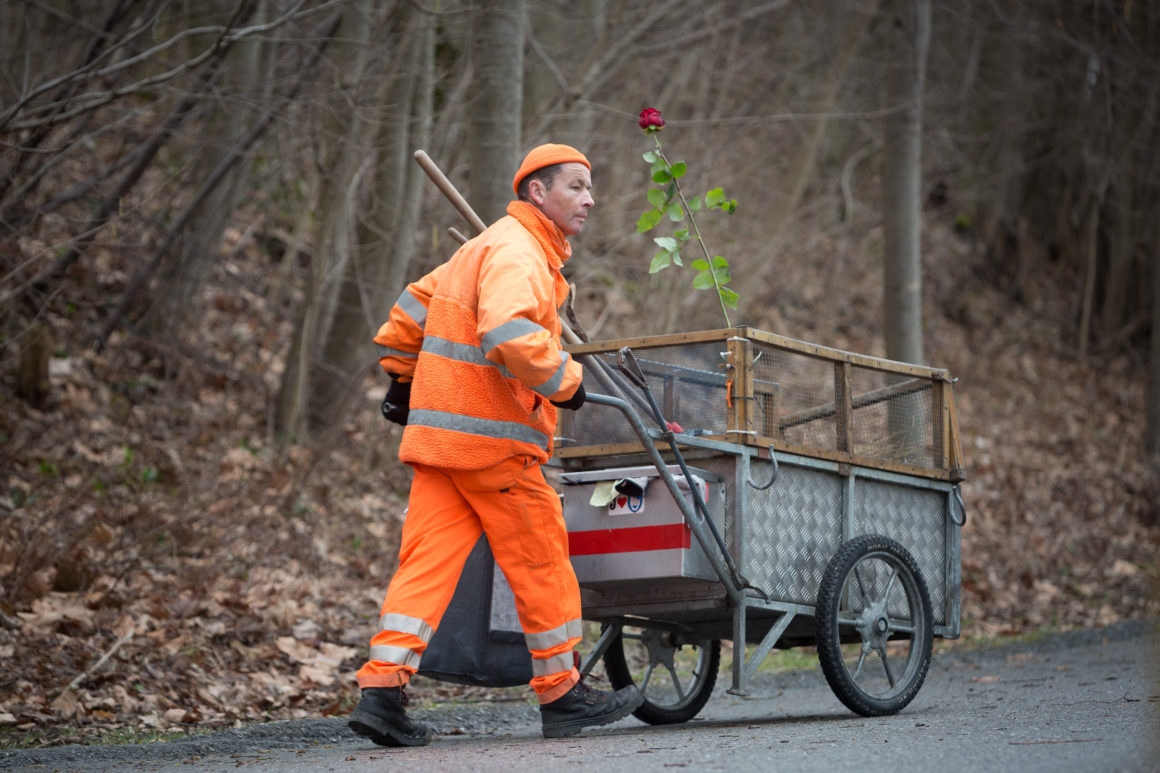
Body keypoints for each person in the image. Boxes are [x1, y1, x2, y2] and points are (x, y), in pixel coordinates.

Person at [348, 144, 643, 747]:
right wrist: (567, 383)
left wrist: (401, 376)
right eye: (577, 187)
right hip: (493, 444)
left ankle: (382, 691)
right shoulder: (520, 253)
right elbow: (508, 333)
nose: (590, 199)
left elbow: (406, 316)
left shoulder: (480, 248)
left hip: (441, 441)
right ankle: (562, 692)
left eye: (591, 188)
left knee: (425, 567)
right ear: (538, 193)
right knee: (540, 561)